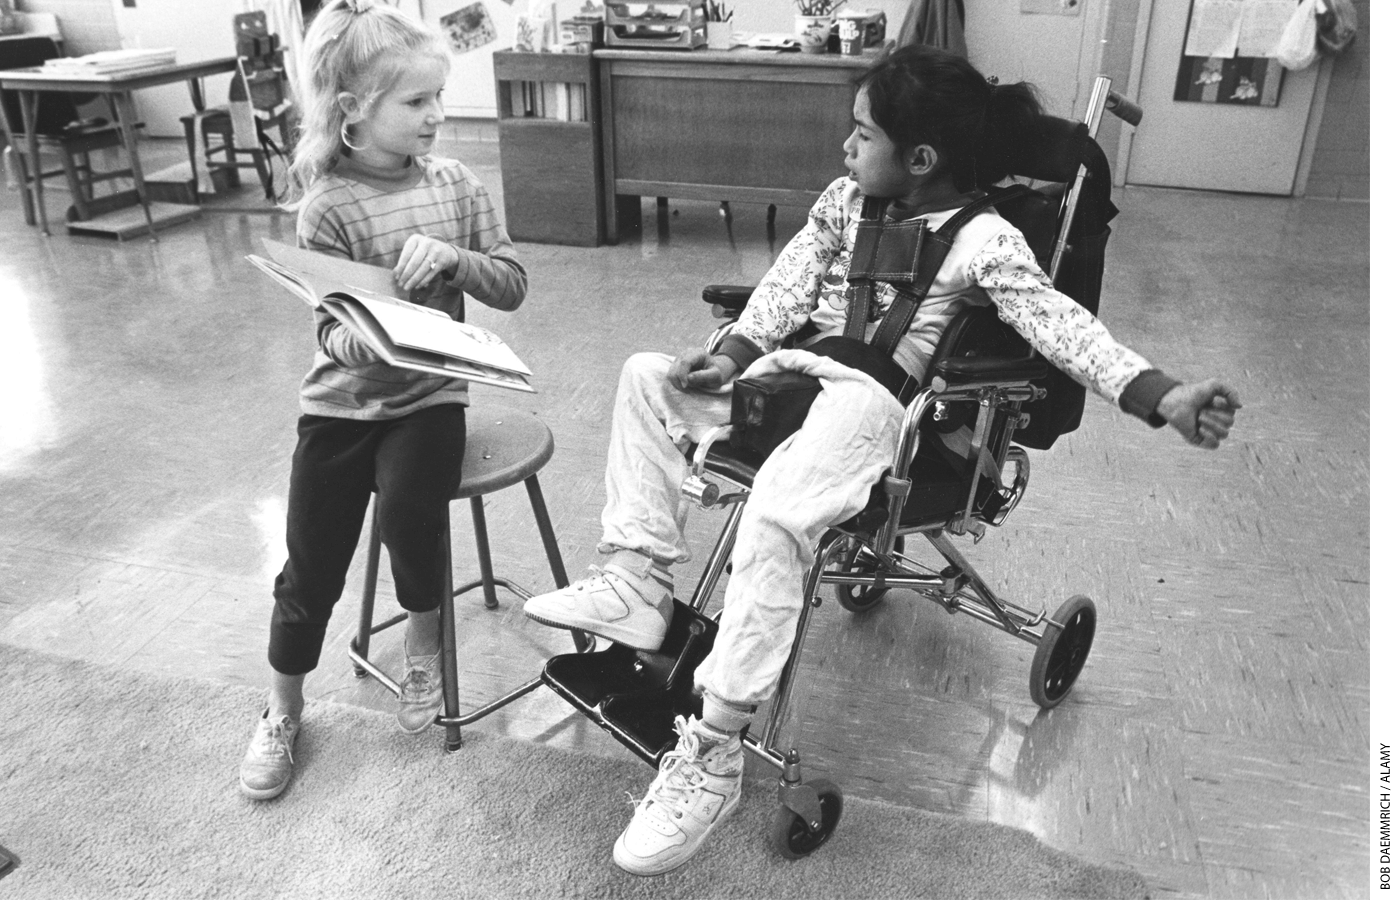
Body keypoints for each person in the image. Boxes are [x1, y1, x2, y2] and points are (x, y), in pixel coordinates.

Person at [522, 45, 1241, 875]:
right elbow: (788, 286)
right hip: (789, 384)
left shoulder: (985, 241)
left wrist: (1159, 393)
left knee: (781, 512)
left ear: (922, 159)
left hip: (876, 411)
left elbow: (1060, 327)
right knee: (647, 377)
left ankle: (714, 750)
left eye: (861, 135)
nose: (846, 149)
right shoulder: (843, 201)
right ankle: (638, 581)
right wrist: (733, 354)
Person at [238, 0, 526, 801]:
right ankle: (282, 709)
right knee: (311, 564)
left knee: (410, 515)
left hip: (430, 399)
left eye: (439, 96)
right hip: (340, 405)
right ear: (353, 113)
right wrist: (363, 337)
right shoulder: (327, 204)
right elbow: (325, 332)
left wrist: (459, 262)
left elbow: (512, 283)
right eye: (416, 101)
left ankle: (425, 656)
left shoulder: (457, 184)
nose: (437, 115)